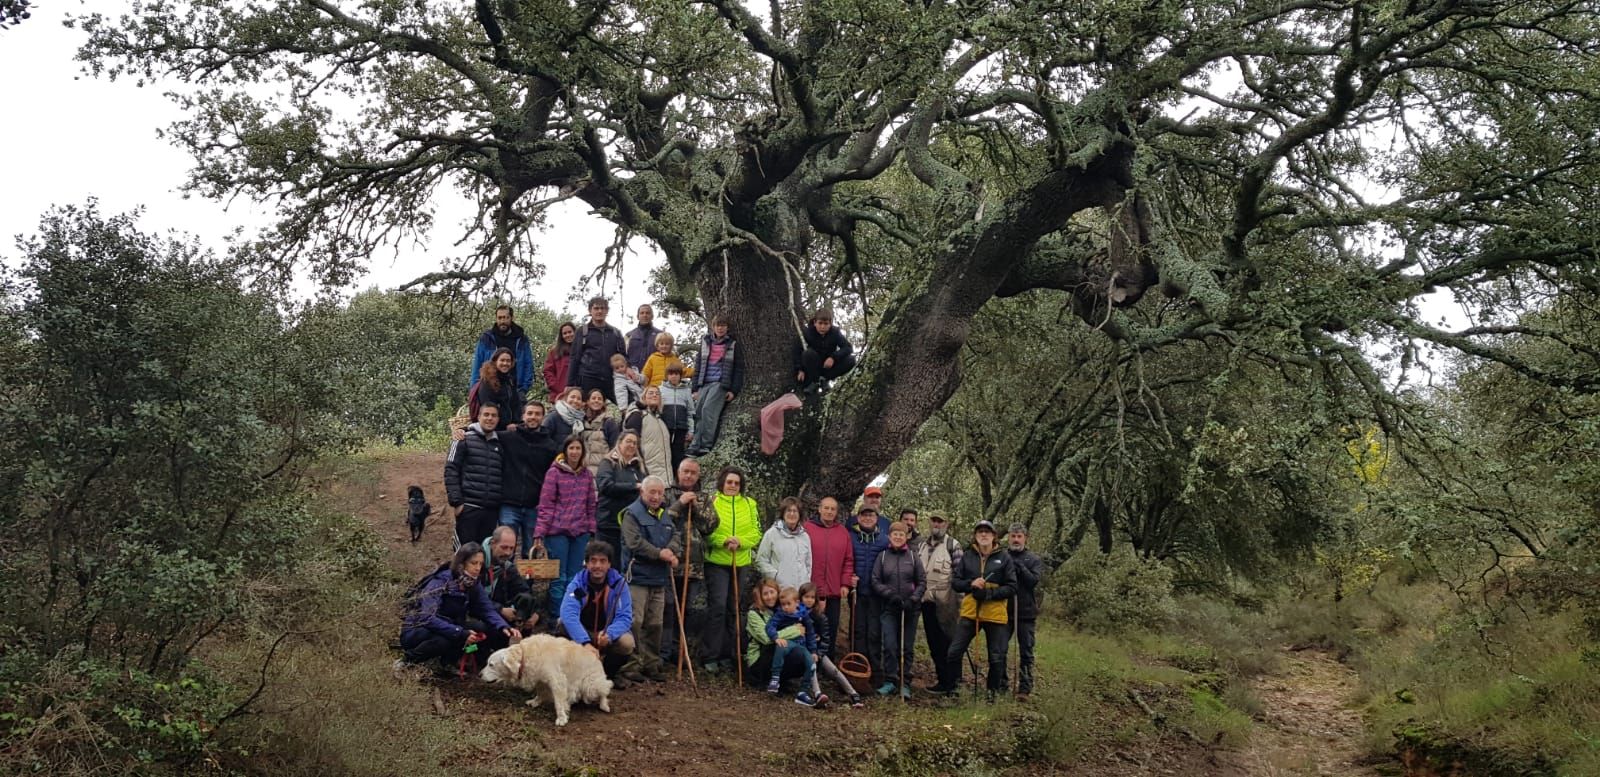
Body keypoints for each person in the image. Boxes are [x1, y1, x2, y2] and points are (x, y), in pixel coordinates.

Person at [398, 542, 517, 672]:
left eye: (480, 564)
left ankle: (450, 661)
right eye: (473, 563)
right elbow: (427, 617)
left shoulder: (473, 584)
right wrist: (460, 632)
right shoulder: (440, 581)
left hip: (450, 627)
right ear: (462, 563)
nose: (478, 568)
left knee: (481, 631)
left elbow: (486, 609)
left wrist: (503, 626)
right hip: (419, 630)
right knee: (446, 640)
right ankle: (406, 661)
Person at [937, 520, 1017, 701]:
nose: (983, 535)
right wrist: (970, 584)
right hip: (970, 612)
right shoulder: (967, 556)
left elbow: (1012, 587)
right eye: (980, 531)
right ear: (975, 535)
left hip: (995, 614)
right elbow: (956, 583)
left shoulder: (1004, 558)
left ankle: (992, 694)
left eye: (987, 532)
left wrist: (989, 593)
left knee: (996, 657)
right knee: (954, 652)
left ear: (994, 536)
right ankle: (954, 690)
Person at [700, 466, 762, 674]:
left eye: (736, 483)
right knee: (717, 607)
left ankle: (728, 654)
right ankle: (710, 655)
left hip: (740, 562)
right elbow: (706, 531)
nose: (733, 486)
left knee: (733, 608)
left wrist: (741, 542)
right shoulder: (713, 502)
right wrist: (722, 541)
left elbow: (756, 532)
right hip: (717, 562)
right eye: (729, 482)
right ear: (722, 483)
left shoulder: (750, 504)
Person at [620, 475, 681, 683]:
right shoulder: (631, 514)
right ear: (642, 493)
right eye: (652, 492)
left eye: (659, 493)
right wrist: (659, 554)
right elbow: (634, 542)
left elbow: (676, 536)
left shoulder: (665, 514)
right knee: (635, 622)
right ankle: (631, 665)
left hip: (659, 578)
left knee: (656, 623)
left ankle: (651, 664)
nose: (656, 497)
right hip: (636, 576)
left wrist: (671, 551)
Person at [660, 458, 715, 667]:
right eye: (685, 472)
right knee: (669, 607)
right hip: (671, 562)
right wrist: (680, 503)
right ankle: (666, 651)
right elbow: (662, 520)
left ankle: (684, 652)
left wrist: (696, 507)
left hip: (694, 565)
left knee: (692, 610)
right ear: (678, 472)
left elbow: (711, 526)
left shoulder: (703, 498)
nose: (689, 476)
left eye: (693, 472)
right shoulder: (666, 493)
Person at [558, 540, 637, 685]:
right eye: (593, 561)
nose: (597, 566)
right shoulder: (578, 584)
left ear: (609, 564)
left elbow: (625, 617)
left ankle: (607, 675)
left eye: (602, 561)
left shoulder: (619, 585)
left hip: (605, 633)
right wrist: (585, 642)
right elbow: (568, 614)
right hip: (583, 632)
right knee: (562, 625)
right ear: (587, 564)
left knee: (627, 642)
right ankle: (572, 674)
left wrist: (610, 634)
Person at [537, 437, 597, 623]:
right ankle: (557, 616)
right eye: (571, 448)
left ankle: (572, 616)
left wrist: (591, 529)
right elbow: (546, 504)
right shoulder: (554, 473)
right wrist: (539, 532)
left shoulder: (586, 475)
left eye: (578, 448)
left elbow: (591, 504)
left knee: (576, 577)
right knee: (559, 577)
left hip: (580, 532)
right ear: (565, 450)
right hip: (557, 532)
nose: (575, 452)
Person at [743, 579, 821, 706]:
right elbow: (766, 639)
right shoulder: (754, 613)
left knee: (803, 656)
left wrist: (812, 649)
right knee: (784, 647)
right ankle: (768, 680)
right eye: (765, 594)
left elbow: (808, 629)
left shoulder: (782, 609)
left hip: (777, 653)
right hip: (759, 661)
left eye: (772, 592)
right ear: (760, 596)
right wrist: (795, 630)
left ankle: (784, 681)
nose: (769, 597)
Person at [496, 403, 560, 559]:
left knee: (530, 550)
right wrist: (462, 431)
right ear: (523, 416)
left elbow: (552, 478)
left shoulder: (550, 446)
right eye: (530, 413)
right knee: (505, 548)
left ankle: (526, 583)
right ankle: (503, 581)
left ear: (543, 417)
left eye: (537, 414)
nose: (533, 417)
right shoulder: (509, 437)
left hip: (534, 506)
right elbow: (485, 432)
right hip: (509, 503)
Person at [871, 521, 926, 699]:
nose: (897, 537)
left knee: (906, 647)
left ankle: (905, 682)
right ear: (889, 536)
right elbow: (875, 580)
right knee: (889, 645)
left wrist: (913, 599)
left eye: (901, 534)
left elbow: (922, 581)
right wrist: (889, 595)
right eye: (895, 534)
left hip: (910, 609)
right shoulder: (883, 557)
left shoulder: (912, 556)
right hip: (889, 608)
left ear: (906, 537)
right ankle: (890, 680)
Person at [444, 404, 504, 549]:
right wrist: (457, 502)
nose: (490, 418)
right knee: (463, 556)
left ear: (498, 419)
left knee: (485, 556)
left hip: (491, 512)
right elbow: (451, 469)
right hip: (469, 509)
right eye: (486, 414)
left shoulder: (501, 444)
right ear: (478, 417)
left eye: (493, 415)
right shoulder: (462, 439)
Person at [916, 514, 965, 695]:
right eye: (934, 521)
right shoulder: (921, 545)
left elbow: (960, 576)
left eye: (940, 521)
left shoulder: (954, 546)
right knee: (934, 644)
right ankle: (942, 680)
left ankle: (955, 684)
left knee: (950, 644)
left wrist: (959, 605)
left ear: (946, 524)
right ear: (930, 523)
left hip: (948, 604)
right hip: (927, 602)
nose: (937, 524)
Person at [685, 315, 745, 457]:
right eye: (718, 325)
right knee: (698, 411)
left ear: (727, 328)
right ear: (713, 327)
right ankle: (695, 445)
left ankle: (705, 445)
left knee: (708, 411)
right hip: (704, 382)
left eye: (723, 325)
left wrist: (733, 390)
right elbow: (698, 365)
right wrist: (694, 388)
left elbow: (738, 369)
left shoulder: (732, 345)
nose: (720, 328)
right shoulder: (705, 342)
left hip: (719, 383)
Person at [801, 582, 862, 708]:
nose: (809, 600)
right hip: (803, 651)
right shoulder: (796, 615)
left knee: (833, 670)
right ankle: (817, 693)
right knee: (811, 666)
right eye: (806, 597)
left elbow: (825, 640)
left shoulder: (821, 618)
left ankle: (853, 694)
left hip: (818, 651)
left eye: (812, 597)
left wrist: (819, 653)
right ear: (801, 597)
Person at [807, 496, 853, 660]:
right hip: (810, 591)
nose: (829, 511)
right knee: (810, 626)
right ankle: (809, 663)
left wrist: (845, 584)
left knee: (831, 628)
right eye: (826, 508)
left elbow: (848, 560)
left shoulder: (842, 532)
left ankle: (828, 662)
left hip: (834, 590)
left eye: (832, 509)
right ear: (819, 509)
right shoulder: (807, 528)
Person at [848, 505, 890, 686]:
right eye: (863, 515)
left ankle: (876, 673)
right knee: (858, 630)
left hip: (876, 594)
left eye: (870, 515)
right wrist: (849, 577)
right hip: (856, 593)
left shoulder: (884, 540)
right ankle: (857, 670)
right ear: (858, 518)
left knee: (874, 632)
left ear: (876, 518)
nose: (867, 518)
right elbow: (846, 561)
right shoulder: (851, 537)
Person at [594, 431, 647, 568]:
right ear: (620, 442)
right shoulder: (608, 463)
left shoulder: (638, 467)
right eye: (628, 441)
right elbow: (605, 486)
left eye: (635, 443)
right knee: (608, 563)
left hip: (630, 524)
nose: (632, 445)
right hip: (609, 523)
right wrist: (634, 486)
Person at [762, 586, 820, 705]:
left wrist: (813, 651)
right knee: (781, 646)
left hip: (801, 644)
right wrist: (776, 637)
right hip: (788, 641)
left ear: (797, 602)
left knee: (811, 664)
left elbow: (810, 632)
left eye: (788, 604)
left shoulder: (803, 615)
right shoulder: (780, 614)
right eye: (783, 604)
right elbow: (770, 626)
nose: (785, 607)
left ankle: (803, 692)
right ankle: (775, 677)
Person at [1007, 522, 1045, 701]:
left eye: (1019, 536)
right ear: (1008, 537)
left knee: (1026, 651)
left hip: (1026, 613)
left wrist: (1021, 567)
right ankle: (1000, 684)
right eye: (1013, 536)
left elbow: (1033, 582)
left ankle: (1025, 688)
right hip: (1004, 611)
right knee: (998, 649)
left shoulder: (1033, 559)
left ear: (1025, 538)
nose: (1016, 539)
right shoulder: (1002, 556)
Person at [566, 296, 627, 404]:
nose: (599, 311)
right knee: (586, 411)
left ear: (607, 311)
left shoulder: (615, 333)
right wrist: (570, 384)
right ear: (590, 311)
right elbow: (574, 358)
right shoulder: (582, 331)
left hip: (611, 379)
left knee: (620, 408)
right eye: (596, 308)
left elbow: (623, 357)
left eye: (602, 308)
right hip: (588, 378)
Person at [483, 526, 542, 635]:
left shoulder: (507, 566)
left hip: (502, 610)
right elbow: (474, 598)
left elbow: (525, 591)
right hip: (479, 613)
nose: (508, 553)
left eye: (511, 548)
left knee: (526, 601)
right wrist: (500, 609)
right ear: (492, 543)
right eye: (504, 547)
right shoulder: (477, 562)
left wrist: (536, 614)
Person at [470, 305, 535, 396]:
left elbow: (528, 365)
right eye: (499, 318)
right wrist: (474, 390)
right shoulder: (487, 338)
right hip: (490, 388)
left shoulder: (521, 339)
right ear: (496, 319)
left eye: (505, 318)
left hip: (515, 389)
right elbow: (477, 364)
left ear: (511, 318)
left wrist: (524, 389)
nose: (502, 321)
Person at [792, 307, 856, 392]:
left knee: (851, 360)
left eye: (826, 324)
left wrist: (833, 358)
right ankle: (815, 382)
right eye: (820, 323)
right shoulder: (808, 332)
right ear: (815, 322)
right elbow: (797, 351)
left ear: (830, 324)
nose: (822, 327)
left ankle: (824, 380)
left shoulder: (835, 332)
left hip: (828, 368)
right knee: (808, 353)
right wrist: (800, 369)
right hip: (813, 367)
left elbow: (848, 348)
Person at [756, 497, 813, 591]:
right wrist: (775, 577)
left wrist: (806, 580)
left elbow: (808, 563)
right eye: (788, 510)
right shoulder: (772, 534)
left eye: (795, 511)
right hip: (781, 589)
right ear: (783, 514)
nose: (792, 514)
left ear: (800, 515)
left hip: (801, 591)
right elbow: (761, 560)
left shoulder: (805, 536)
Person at [468, 347, 525, 431]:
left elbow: (515, 404)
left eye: (508, 361)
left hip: (510, 427)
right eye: (502, 360)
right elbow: (488, 407)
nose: (505, 363)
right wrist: (504, 425)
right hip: (494, 428)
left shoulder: (509, 381)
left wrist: (517, 423)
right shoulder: (487, 382)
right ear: (495, 361)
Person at [622, 385, 672, 480]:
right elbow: (629, 447)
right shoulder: (637, 415)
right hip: (646, 474)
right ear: (643, 397)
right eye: (651, 393)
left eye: (657, 394)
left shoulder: (660, 421)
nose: (654, 395)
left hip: (664, 475)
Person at [658, 361, 695, 471]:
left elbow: (690, 412)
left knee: (678, 453)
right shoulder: (661, 390)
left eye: (676, 374)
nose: (674, 376)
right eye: (671, 374)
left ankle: (677, 476)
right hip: (665, 427)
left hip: (681, 428)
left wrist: (691, 431)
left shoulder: (686, 391)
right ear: (667, 375)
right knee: (665, 452)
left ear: (680, 375)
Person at [580, 389, 619, 474]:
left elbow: (615, 447)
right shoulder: (580, 421)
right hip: (582, 471)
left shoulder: (609, 422)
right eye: (593, 398)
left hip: (601, 471)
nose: (596, 401)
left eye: (599, 399)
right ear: (588, 401)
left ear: (604, 403)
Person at [542, 321, 576, 403]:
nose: (568, 335)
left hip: (577, 397)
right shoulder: (554, 352)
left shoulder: (582, 351)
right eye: (565, 333)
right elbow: (547, 371)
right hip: (559, 396)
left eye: (570, 332)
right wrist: (558, 387)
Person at [624, 303, 664, 372]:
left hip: (654, 375)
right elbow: (621, 356)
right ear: (637, 316)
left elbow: (671, 355)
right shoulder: (629, 335)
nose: (645, 315)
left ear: (652, 316)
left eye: (647, 313)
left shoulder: (661, 335)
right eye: (642, 313)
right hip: (632, 376)